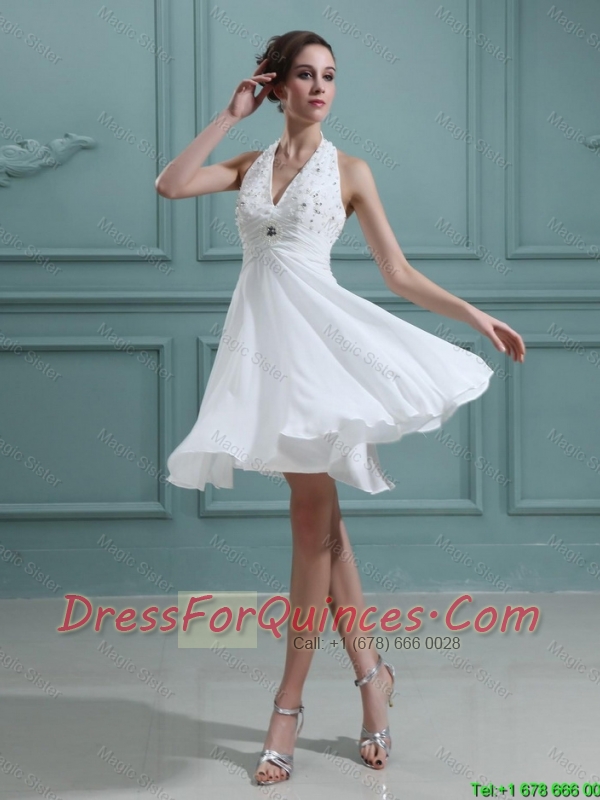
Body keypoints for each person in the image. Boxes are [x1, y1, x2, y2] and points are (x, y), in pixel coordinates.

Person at [155, 30, 525, 786]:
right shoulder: (247, 165)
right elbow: (170, 184)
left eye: (329, 75)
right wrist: (229, 114)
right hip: (263, 354)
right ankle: (372, 680)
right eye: (304, 74)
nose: (320, 87)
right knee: (324, 529)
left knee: (309, 524)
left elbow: (397, 271)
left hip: (321, 354)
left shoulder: (350, 171)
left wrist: (474, 315)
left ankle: (287, 706)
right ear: (276, 85)